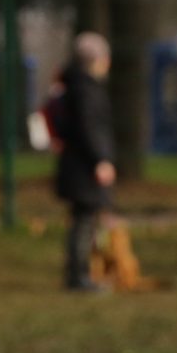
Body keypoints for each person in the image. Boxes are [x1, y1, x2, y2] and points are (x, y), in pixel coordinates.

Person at [51, 33, 116, 292]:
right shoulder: (85, 89)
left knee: (83, 220)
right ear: (97, 60)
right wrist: (100, 159)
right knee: (84, 222)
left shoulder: (73, 86)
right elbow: (90, 128)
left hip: (76, 164)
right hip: (83, 166)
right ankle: (79, 276)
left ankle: (79, 273)